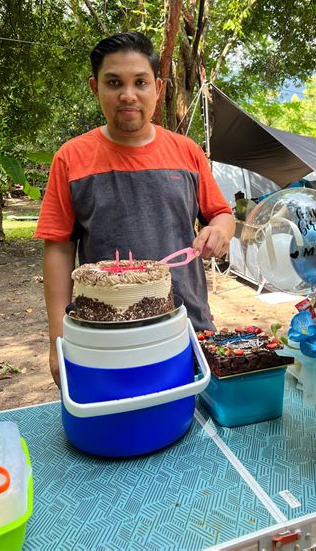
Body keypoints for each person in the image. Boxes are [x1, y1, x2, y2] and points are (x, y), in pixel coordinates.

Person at [35, 32, 235, 386]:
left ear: (157, 87)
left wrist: (220, 229)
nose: (128, 94)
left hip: (188, 327)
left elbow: (221, 213)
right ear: (95, 88)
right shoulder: (71, 158)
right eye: (114, 83)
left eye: (140, 82)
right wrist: (58, 341)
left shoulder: (187, 152)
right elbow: (59, 248)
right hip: (108, 338)